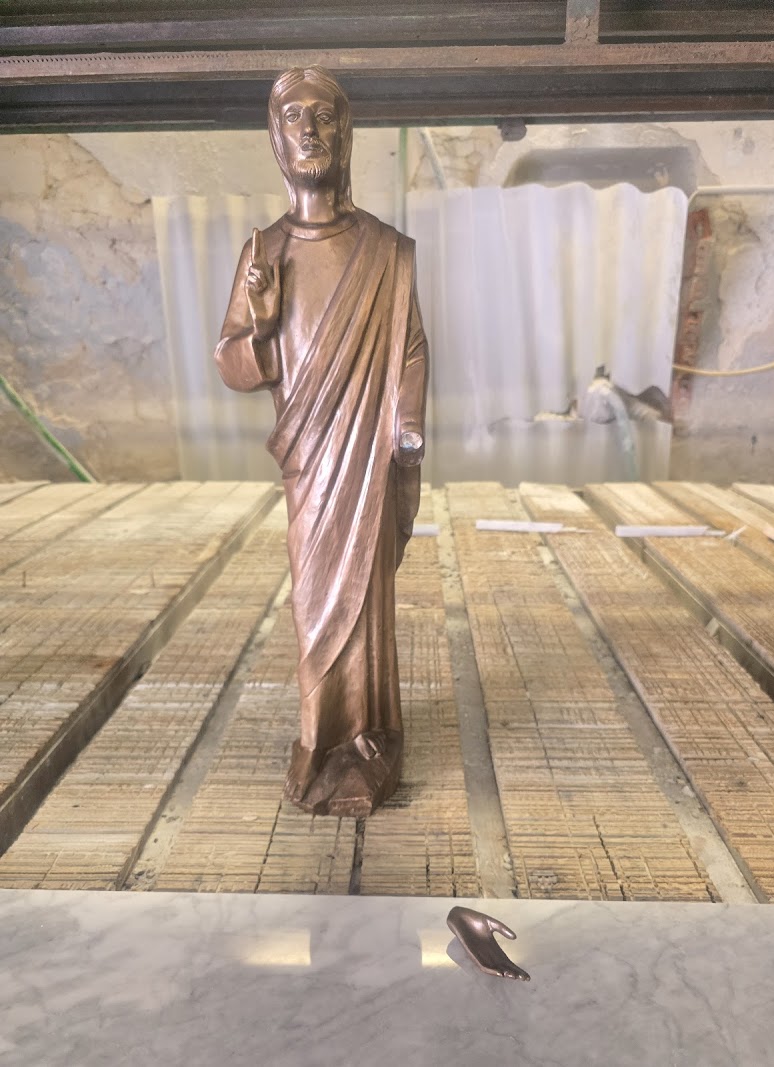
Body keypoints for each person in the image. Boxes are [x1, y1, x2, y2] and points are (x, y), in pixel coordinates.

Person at [214, 66, 428, 817]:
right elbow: (233, 364)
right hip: (309, 465)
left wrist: (406, 427)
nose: (309, 129)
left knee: (366, 601)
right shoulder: (264, 252)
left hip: (368, 460)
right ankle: (319, 737)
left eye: (324, 116)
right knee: (315, 604)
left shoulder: (386, 251)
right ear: (276, 139)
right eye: (293, 116)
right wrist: (263, 325)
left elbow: (409, 348)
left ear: (346, 134)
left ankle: (366, 737)